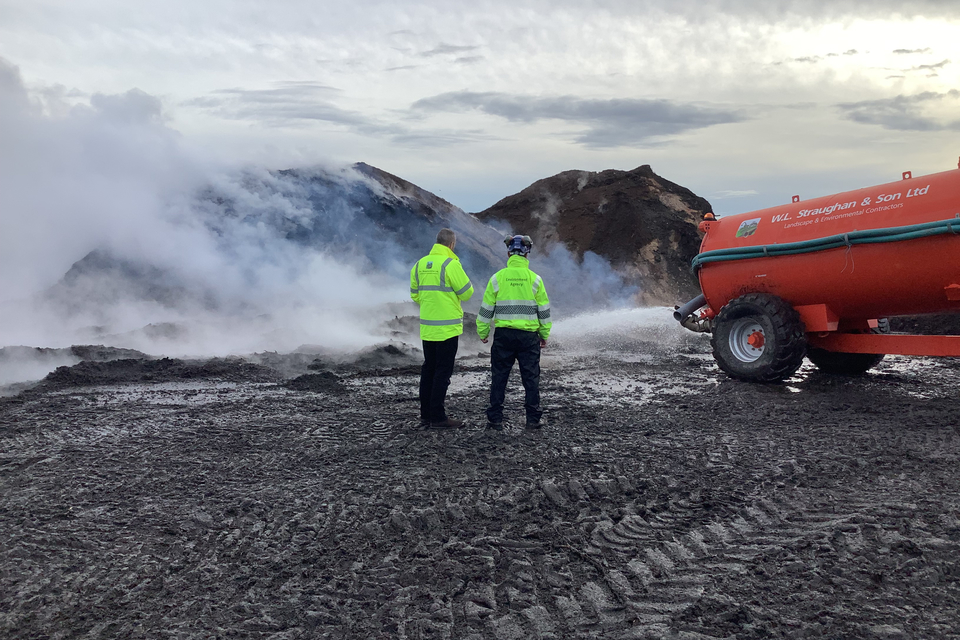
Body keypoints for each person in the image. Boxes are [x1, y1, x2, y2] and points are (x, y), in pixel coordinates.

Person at [476, 234, 552, 430]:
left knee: (499, 376)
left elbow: (486, 309)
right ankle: (533, 419)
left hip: (504, 336)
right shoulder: (535, 280)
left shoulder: (497, 278)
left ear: (509, 253)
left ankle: (495, 417)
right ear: (527, 254)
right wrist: (544, 335)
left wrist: (483, 332)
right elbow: (543, 311)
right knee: (531, 378)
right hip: (528, 338)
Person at [410, 228, 474, 429]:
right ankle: (438, 417)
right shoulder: (450, 264)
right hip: (447, 329)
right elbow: (467, 293)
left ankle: (426, 415)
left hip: (428, 327)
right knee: (442, 372)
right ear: (451, 245)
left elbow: (415, 295)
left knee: (428, 369)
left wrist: (432, 304)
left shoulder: (419, 264)